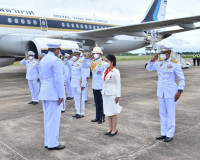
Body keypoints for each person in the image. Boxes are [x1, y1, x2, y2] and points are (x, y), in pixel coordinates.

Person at [146, 45, 185, 142]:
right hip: (161, 92)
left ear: (169, 53)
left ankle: (170, 134)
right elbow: (148, 68)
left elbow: (182, 79)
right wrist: (152, 59)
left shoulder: (175, 64)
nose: (161, 55)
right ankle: (163, 133)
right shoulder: (159, 63)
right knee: (162, 113)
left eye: (163, 53)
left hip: (171, 92)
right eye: (160, 54)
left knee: (170, 113)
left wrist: (180, 91)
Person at [39, 43, 65, 150]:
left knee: (47, 119)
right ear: (55, 50)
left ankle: (47, 142)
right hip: (53, 93)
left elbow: (40, 76)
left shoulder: (43, 59)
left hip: (44, 92)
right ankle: (53, 143)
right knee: (53, 120)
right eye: (58, 49)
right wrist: (62, 95)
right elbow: (59, 79)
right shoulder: (56, 60)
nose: (59, 51)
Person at [83, 46, 106, 124]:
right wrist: (86, 58)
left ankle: (102, 118)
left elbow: (105, 75)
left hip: (101, 86)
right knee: (96, 103)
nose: (95, 55)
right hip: (95, 86)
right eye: (94, 53)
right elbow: (84, 65)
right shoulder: (92, 62)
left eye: (96, 53)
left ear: (100, 54)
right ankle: (97, 117)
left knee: (101, 103)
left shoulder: (103, 63)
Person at [102, 54, 122, 136]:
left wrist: (118, 95)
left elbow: (118, 84)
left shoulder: (115, 71)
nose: (105, 62)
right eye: (105, 60)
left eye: (107, 61)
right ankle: (110, 128)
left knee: (113, 112)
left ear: (112, 62)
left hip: (113, 94)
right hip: (106, 94)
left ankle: (114, 129)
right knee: (108, 112)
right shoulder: (105, 70)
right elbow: (104, 83)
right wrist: (102, 93)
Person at [67, 49, 87, 119]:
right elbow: (67, 62)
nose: (74, 56)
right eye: (74, 55)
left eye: (76, 55)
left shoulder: (82, 63)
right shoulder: (73, 63)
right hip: (73, 83)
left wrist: (83, 85)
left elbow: (84, 75)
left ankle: (82, 113)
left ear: (78, 56)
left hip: (79, 84)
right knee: (76, 98)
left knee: (81, 98)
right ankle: (77, 111)